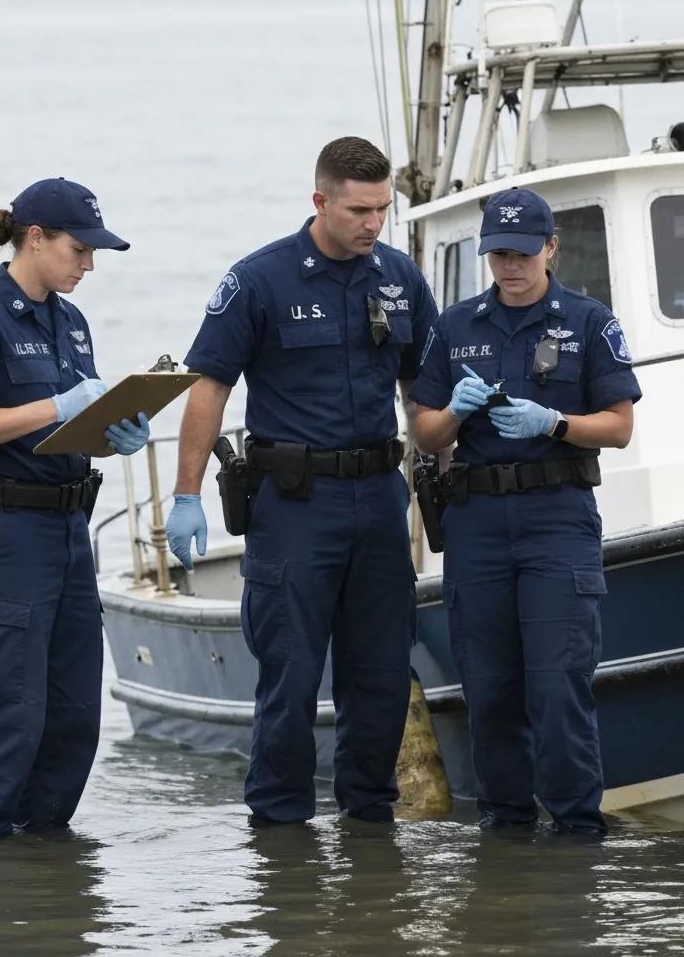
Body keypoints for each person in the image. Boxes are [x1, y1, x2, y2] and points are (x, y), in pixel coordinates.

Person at [165, 137, 438, 825]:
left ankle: (369, 827)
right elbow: (209, 388)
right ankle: (280, 837)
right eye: (358, 210)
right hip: (294, 503)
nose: (373, 223)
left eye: (383, 209)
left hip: (378, 497)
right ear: (320, 201)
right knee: (289, 678)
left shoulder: (401, 278)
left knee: (378, 676)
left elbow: (426, 390)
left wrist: (450, 476)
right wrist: (187, 494)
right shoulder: (260, 281)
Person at [410, 187, 641, 833]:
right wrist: (454, 411)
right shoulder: (455, 327)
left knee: (557, 686)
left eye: (521, 253)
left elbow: (619, 426)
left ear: (551, 249)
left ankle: (575, 834)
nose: (509, 266)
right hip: (477, 520)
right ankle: (505, 841)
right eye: (497, 254)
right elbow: (425, 433)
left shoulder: (589, 322)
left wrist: (556, 422)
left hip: (555, 516)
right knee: (489, 691)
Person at [0, 177, 149, 839]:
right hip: (2, 535)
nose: (88, 266)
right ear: (35, 238)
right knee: (8, 713)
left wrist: (111, 434)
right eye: (80, 251)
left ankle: (47, 880)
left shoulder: (70, 321)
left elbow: (61, 432)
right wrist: (58, 407)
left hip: (67, 528)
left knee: (75, 713)